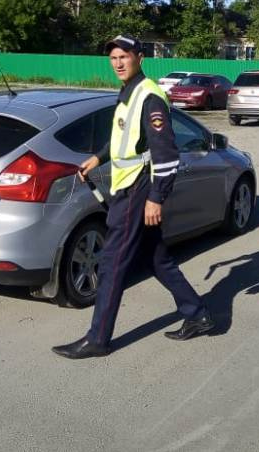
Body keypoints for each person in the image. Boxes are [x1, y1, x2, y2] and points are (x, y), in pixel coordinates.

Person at [52, 34, 215, 359]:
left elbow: (166, 154)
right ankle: (198, 314)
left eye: (124, 56)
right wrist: (98, 158)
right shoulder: (129, 92)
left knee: (111, 263)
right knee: (156, 258)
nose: (118, 63)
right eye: (113, 58)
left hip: (137, 190)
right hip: (128, 186)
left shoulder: (150, 96)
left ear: (140, 57)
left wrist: (157, 197)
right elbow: (124, 140)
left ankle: (98, 339)